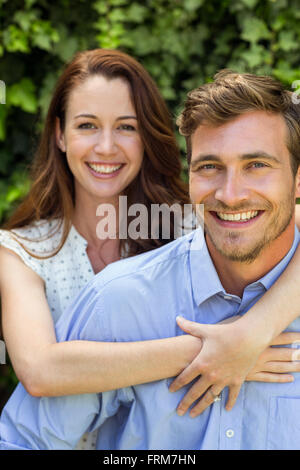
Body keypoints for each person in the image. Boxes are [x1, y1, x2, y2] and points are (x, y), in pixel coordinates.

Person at [1, 70, 300, 450]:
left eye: (257, 165)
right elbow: (39, 378)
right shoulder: (117, 293)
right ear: (59, 134)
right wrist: (223, 350)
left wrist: (256, 330)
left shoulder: (182, 223)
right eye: (209, 166)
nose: (231, 194)